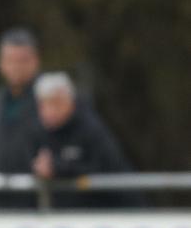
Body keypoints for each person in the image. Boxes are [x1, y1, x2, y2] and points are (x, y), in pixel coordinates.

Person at [31, 72, 139, 207]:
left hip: (108, 213)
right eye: (44, 105)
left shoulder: (90, 129)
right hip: (66, 218)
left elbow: (103, 170)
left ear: (70, 101)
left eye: (56, 103)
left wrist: (57, 168)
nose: (50, 111)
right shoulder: (38, 132)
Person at [0, 27, 43, 207]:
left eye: (22, 60)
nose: (16, 67)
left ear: (35, 61)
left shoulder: (47, 100)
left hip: (35, 201)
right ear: (1, 63)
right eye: (10, 60)